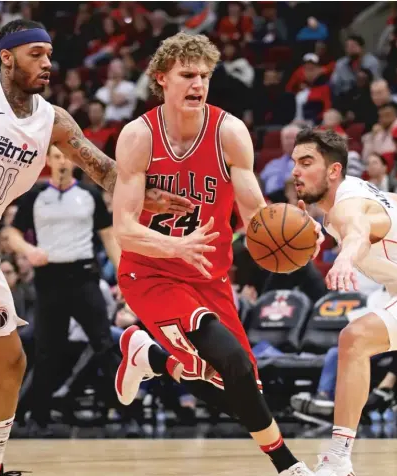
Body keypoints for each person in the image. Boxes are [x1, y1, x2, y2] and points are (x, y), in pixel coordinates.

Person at [0, 19, 191, 476]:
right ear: (6, 56)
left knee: (11, 360)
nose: (47, 63)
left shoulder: (53, 120)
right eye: (35, 54)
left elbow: (103, 169)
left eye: (49, 53)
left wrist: (151, 195)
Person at [112, 32, 323, 476]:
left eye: (205, 75)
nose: (198, 84)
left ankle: (147, 356)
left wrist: (304, 233)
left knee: (242, 383)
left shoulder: (229, 132)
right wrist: (175, 246)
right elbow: (125, 230)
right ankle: (289, 467)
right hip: (150, 274)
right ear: (161, 79)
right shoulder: (138, 136)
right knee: (227, 358)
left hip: (209, 277)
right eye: (187, 75)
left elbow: (256, 217)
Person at [291, 128, 397, 475]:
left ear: (333, 171)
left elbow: (357, 232)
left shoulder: (347, 205)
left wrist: (344, 259)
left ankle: (338, 459)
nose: (296, 171)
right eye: (295, 162)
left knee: (354, 338)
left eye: (306, 162)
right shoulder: (360, 190)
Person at [5, 144, 122, 433]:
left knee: (104, 345)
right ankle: (38, 417)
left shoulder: (89, 194)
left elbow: (109, 238)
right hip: (49, 278)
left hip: (83, 276)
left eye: (67, 157)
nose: (62, 162)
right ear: (48, 160)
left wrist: (123, 277)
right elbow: (11, 233)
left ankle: (125, 413)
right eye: (57, 156)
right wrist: (28, 250)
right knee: (47, 350)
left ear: (74, 162)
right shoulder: (36, 195)